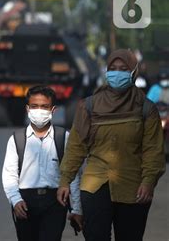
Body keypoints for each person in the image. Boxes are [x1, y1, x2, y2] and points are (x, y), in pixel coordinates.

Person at [57, 49, 166, 241]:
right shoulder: (89, 106)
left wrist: (149, 181)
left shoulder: (146, 109)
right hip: (94, 186)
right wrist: (65, 180)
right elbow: (76, 147)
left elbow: (153, 152)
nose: (117, 73)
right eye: (112, 68)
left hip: (134, 189)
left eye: (123, 69)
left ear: (134, 72)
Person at [2, 85, 83, 241]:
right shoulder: (17, 139)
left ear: (53, 110)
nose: (39, 110)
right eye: (34, 106)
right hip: (25, 202)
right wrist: (15, 200)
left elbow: (72, 174)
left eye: (44, 107)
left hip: (55, 201)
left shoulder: (63, 137)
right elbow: (9, 174)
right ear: (27, 109)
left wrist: (77, 208)